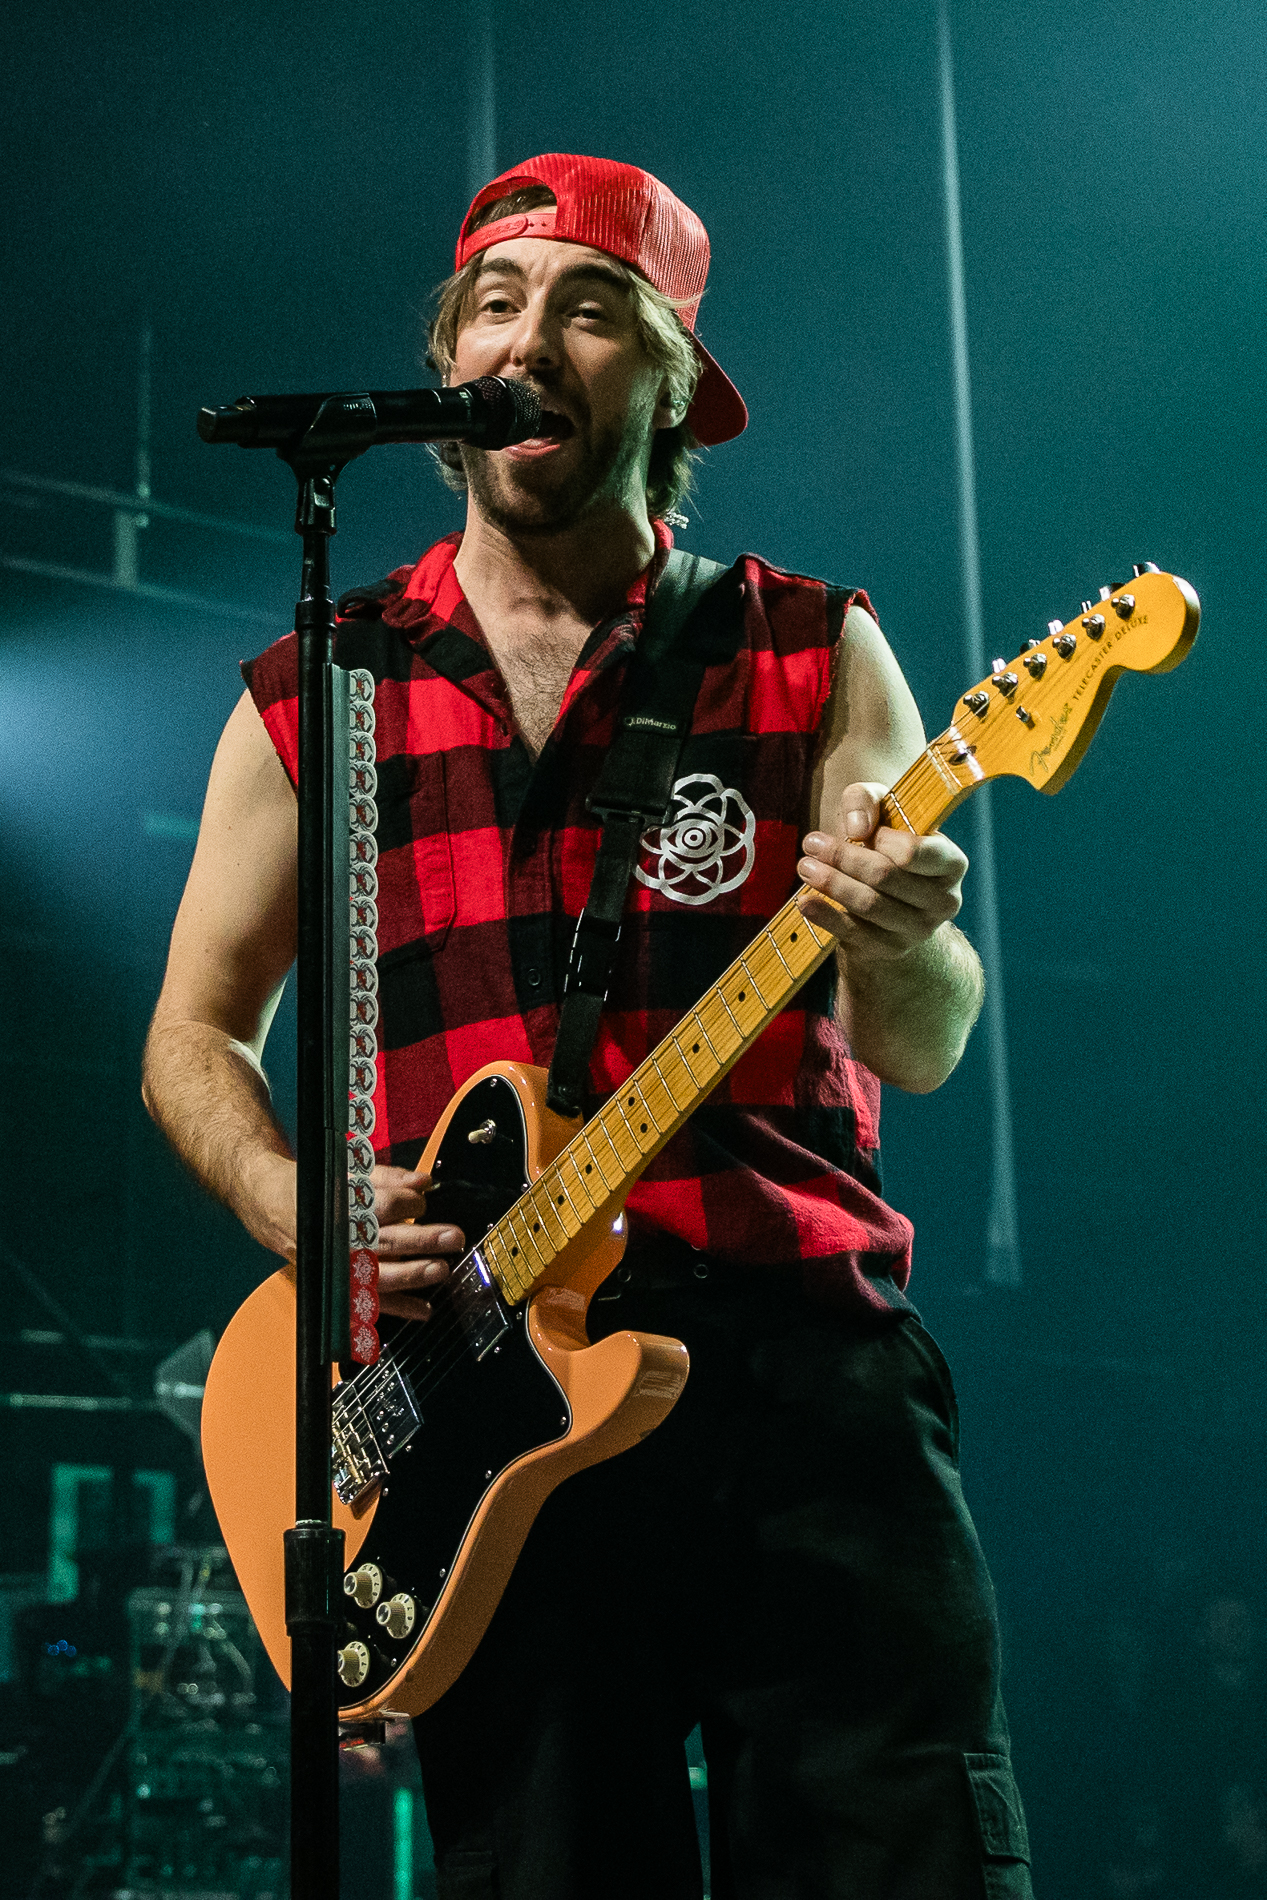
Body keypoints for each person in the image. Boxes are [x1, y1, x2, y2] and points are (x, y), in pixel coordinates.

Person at [144, 153, 1033, 1899]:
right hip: (486, 1417)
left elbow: (920, 1041)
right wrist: (289, 1203)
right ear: (447, 365)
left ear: (676, 384)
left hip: (802, 1377)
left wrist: (904, 934)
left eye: (591, 309)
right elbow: (194, 1032)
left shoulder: (808, 648)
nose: (529, 339)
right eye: (495, 304)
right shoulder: (323, 691)